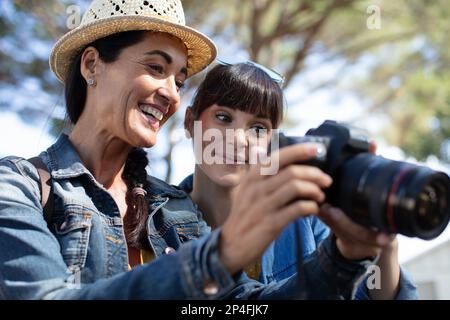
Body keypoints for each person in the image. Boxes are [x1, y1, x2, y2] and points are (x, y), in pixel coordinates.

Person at [0, 0, 376, 300]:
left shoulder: (175, 208)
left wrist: (346, 256)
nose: (171, 93)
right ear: (92, 64)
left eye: (180, 80)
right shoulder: (19, 187)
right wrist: (210, 259)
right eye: (156, 67)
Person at [179, 62, 418, 299]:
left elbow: (363, 293)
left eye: (259, 129)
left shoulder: (304, 216)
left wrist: (384, 243)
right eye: (223, 117)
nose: (240, 140)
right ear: (190, 121)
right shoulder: (157, 223)